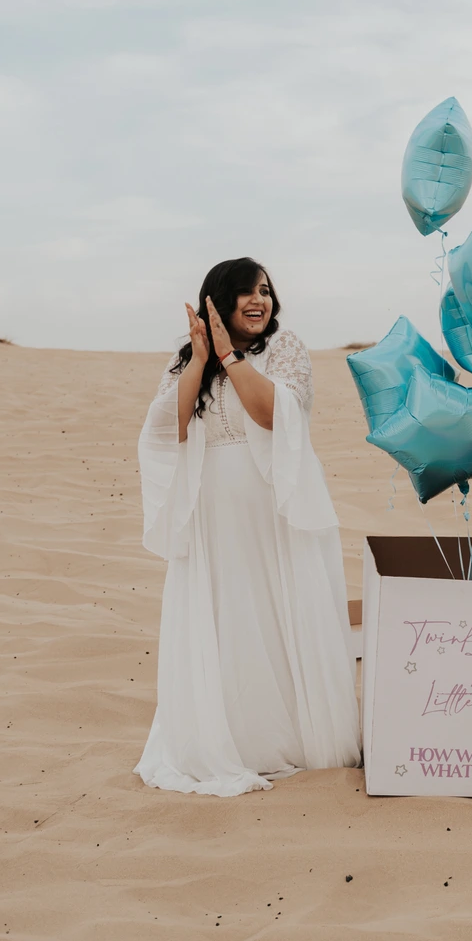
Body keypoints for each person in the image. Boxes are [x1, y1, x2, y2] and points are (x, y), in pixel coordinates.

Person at [134, 257, 360, 796]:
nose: (258, 300)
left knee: (280, 610)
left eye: (265, 291)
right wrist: (201, 360)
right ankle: (237, 740)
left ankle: (294, 740)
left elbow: (271, 414)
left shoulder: (286, 348)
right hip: (213, 515)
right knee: (228, 616)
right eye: (245, 292)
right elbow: (169, 427)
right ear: (219, 299)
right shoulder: (187, 358)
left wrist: (231, 357)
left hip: (277, 512)